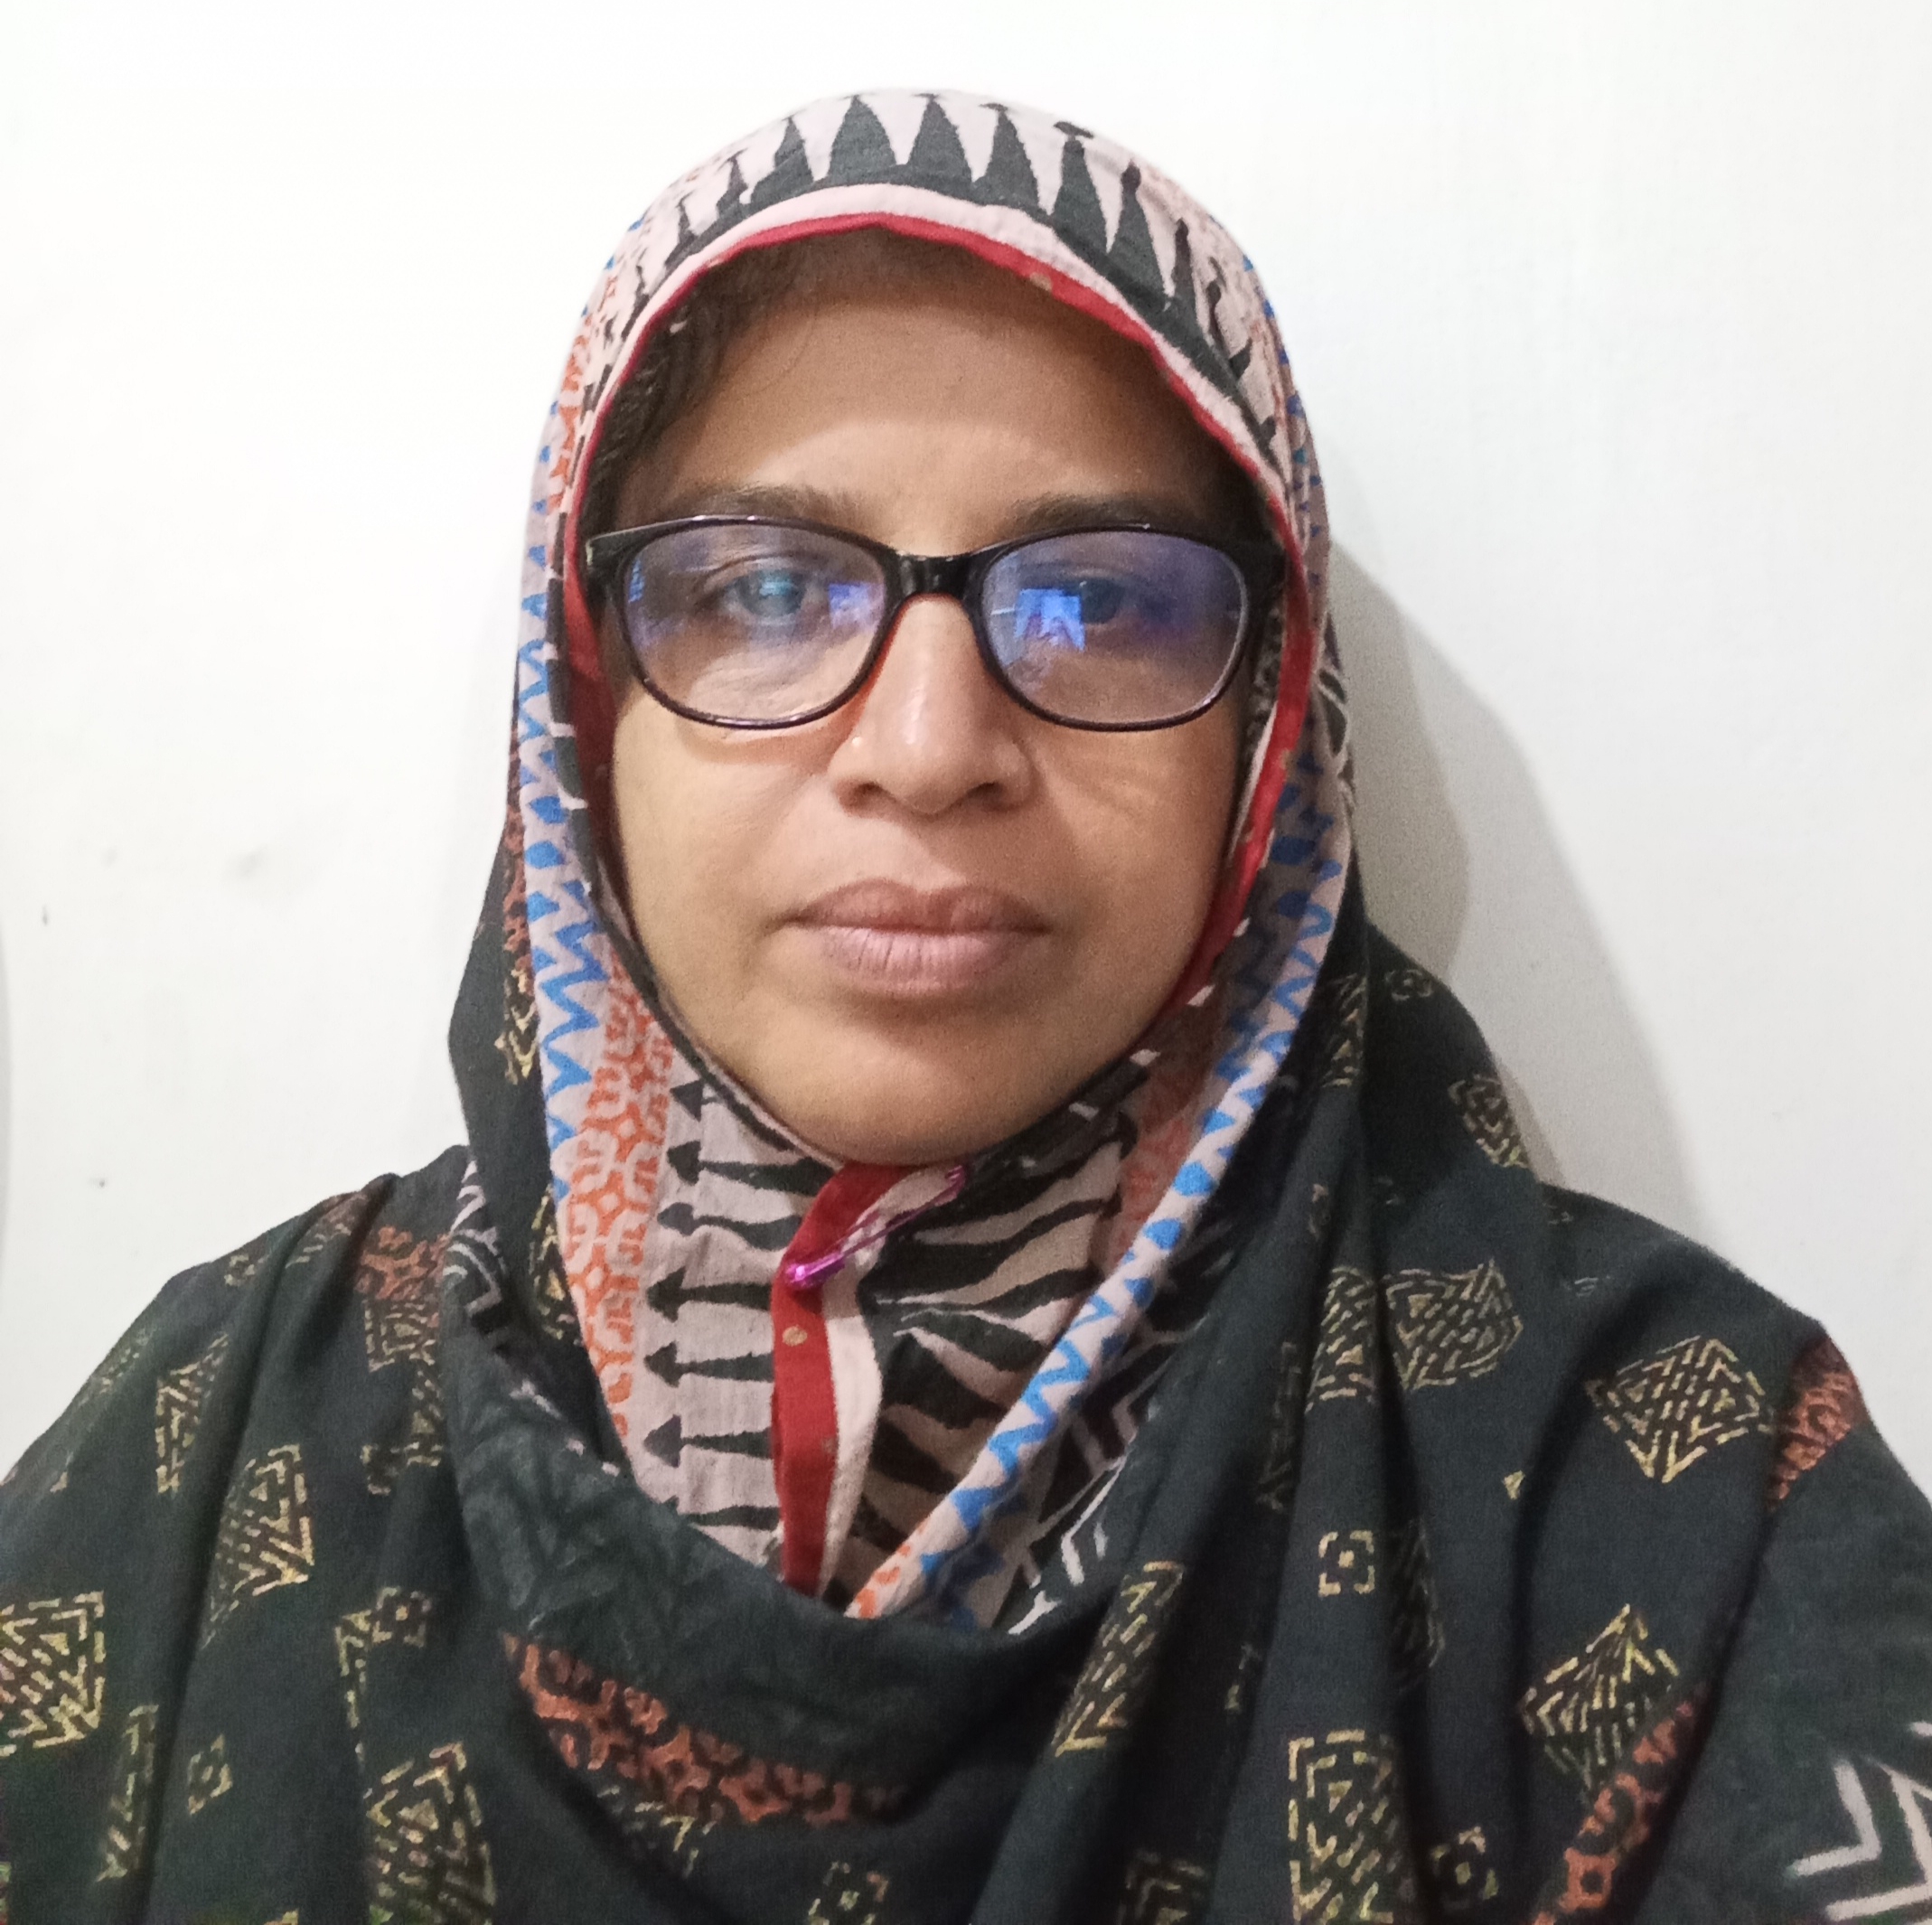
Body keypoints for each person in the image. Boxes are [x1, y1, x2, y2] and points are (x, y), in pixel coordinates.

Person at [1, 88, 1927, 1925]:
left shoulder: (1663, 1496)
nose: (927, 750)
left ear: (1269, 737)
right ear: (585, 704)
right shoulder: (214, 1435)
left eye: (1105, 603)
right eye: (762, 592)